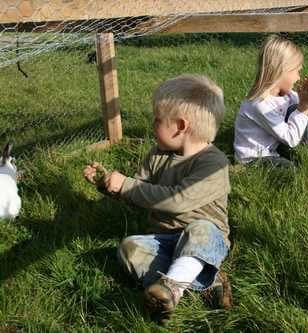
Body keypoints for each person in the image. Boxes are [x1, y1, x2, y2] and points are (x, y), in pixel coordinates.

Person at [83, 74, 232, 322]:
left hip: (205, 239)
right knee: (129, 249)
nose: (153, 124)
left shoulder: (213, 163)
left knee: (200, 230)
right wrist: (110, 185)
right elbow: (139, 194)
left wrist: (128, 186)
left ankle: (173, 286)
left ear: (181, 127)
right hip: (164, 240)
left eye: (158, 120)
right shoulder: (157, 154)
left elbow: (178, 201)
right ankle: (203, 281)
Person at [233, 34, 308, 168]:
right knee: (290, 170)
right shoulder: (259, 104)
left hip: (274, 148)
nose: (299, 78)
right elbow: (291, 139)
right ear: (282, 71)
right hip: (255, 158)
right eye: (297, 71)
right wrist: (303, 107)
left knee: (295, 109)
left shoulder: (288, 96)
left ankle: (305, 156)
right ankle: (242, 169)